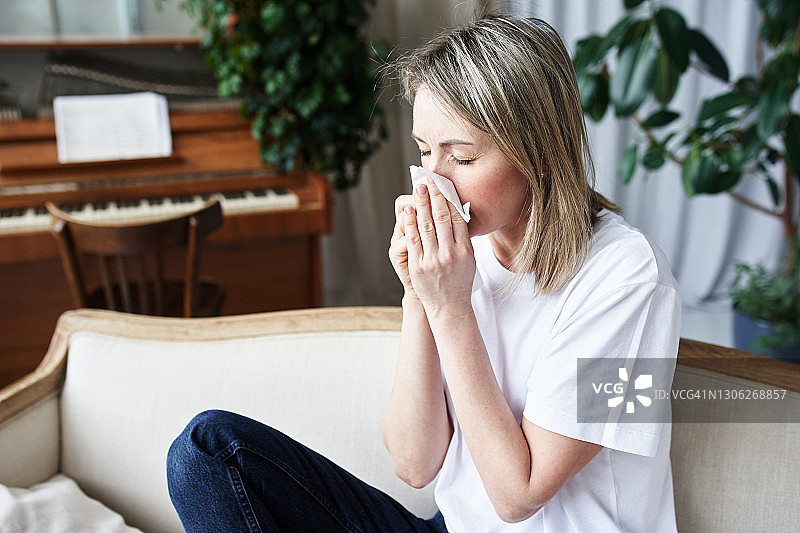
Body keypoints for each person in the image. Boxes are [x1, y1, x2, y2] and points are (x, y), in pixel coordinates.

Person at [166, 13, 681, 533]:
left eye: (460, 156)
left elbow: (518, 495)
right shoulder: (466, 252)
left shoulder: (633, 282)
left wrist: (450, 307)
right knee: (207, 451)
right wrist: (418, 293)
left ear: (539, 153)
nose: (431, 182)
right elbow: (415, 464)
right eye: (425, 151)